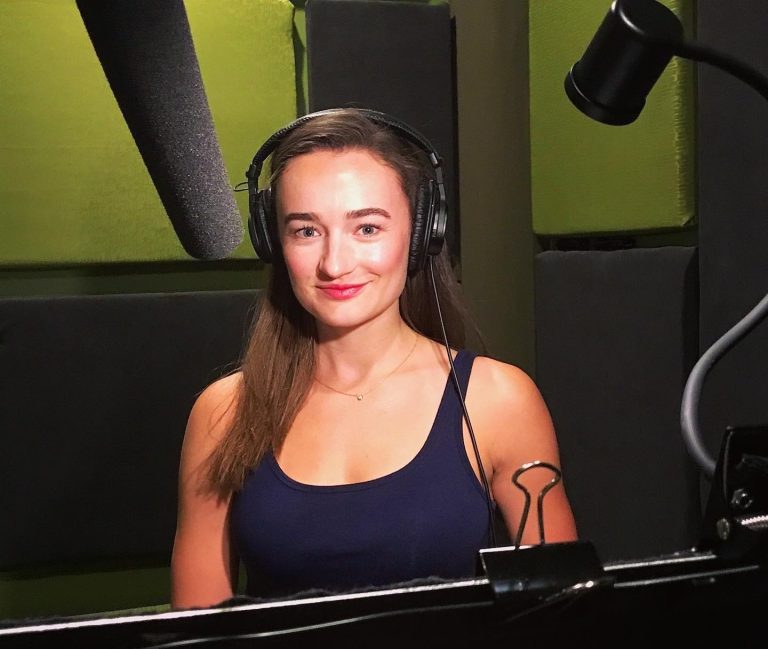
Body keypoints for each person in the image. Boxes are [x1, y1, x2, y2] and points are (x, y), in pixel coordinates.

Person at [170, 108, 577, 609]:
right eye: (306, 231)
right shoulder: (223, 413)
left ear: (422, 233)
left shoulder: (498, 400)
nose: (335, 263)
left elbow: (562, 615)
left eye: (366, 228)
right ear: (273, 242)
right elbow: (198, 627)